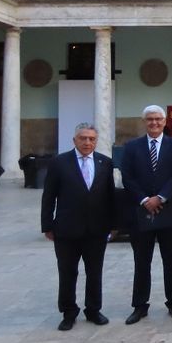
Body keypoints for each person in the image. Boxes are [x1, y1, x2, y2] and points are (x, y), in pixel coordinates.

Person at [41, 122, 115, 331]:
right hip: (66, 229)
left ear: (96, 141)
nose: (87, 142)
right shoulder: (59, 163)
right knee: (67, 272)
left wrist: (113, 225)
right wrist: (47, 224)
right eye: (83, 138)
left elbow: (110, 196)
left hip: (96, 230)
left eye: (91, 139)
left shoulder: (105, 163)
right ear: (74, 140)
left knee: (94, 272)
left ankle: (93, 309)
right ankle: (68, 312)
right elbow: (49, 196)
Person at [120, 105, 172, 324]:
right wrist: (145, 200)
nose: (154, 123)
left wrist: (161, 197)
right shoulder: (132, 147)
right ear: (144, 122)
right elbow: (127, 177)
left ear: (165, 121)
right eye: (150, 119)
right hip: (141, 212)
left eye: (158, 119)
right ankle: (140, 305)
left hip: (169, 211)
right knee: (142, 261)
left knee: (171, 260)